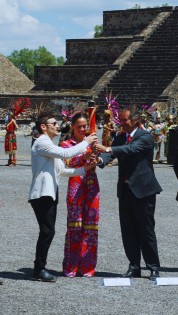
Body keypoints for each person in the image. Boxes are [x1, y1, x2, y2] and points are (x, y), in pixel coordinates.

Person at [28, 112, 98, 282]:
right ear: (44, 127)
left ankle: (39, 268)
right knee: (47, 231)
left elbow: (62, 170)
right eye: (54, 123)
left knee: (48, 231)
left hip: (50, 192)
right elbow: (66, 154)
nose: (58, 125)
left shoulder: (49, 144)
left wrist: (85, 169)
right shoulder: (42, 142)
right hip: (42, 193)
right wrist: (86, 142)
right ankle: (39, 269)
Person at [95, 108, 162, 279]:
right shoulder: (120, 136)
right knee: (128, 230)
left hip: (143, 191)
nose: (122, 123)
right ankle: (134, 266)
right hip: (125, 191)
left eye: (125, 120)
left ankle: (153, 266)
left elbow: (130, 149)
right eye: (121, 120)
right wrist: (100, 159)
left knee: (146, 229)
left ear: (135, 120)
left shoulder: (145, 137)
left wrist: (108, 150)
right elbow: (114, 152)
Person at [61, 112, 100, 277]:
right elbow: (66, 162)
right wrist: (83, 156)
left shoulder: (93, 142)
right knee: (74, 227)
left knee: (91, 228)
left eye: (85, 126)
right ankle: (71, 266)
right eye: (79, 127)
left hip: (92, 186)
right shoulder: (66, 144)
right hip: (76, 187)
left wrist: (97, 159)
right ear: (72, 128)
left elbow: (102, 157)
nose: (83, 129)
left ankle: (87, 267)